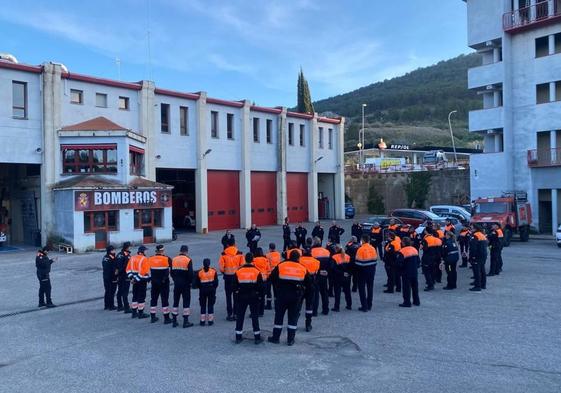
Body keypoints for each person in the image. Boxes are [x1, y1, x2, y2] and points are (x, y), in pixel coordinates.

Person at [268, 250, 312, 346]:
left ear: (289, 256)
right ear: (298, 258)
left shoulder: (281, 265)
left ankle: (276, 338)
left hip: (282, 295)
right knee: (292, 318)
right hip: (296, 297)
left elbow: (271, 278)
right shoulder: (303, 268)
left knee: (279, 317)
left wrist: (278, 287)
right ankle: (290, 339)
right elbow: (309, 283)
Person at [233, 253, 264, 344]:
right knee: (254, 316)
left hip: (242, 296)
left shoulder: (239, 271)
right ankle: (257, 337)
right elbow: (261, 287)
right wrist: (259, 296)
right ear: (252, 260)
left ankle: (238, 337)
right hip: (253, 296)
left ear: (245, 260)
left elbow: (234, 286)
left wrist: (237, 293)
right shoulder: (256, 271)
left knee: (240, 316)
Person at [219, 238, 244, 321]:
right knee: (236, 296)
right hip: (236, 278)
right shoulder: (239, 254)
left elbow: (221, 268)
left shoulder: (223, 254)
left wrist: (225, 272)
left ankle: (229, 314)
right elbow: (242, 265)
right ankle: (236, 313)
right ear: (234, 244)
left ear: (227, 245)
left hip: (228, 277)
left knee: (228, 296)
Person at [148, 244, 173, 324]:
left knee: (153, 299)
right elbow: (172, 269)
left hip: (154, 282)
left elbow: (147, 269)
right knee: (164, 299)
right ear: (162, 251)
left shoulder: (150, 258)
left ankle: (152, 317)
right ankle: (166, 318)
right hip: (164, 282)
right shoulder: (167, 259)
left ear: (156, 251)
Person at [171, 245, 194, 328]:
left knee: (175, 301)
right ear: (186, 251)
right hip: (185, 284)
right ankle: (185, 321)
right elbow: (190, 274)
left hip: (176, 284)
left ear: (180, 251)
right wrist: (191, 283)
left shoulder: (174, 259)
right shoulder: (188, 260)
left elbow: (172, 272)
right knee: (186, 302)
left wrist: (175, 280)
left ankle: (174, 320)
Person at [355, 234, 378, 312]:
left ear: (363, 240)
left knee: (362, 289)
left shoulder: (360, 249)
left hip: (362, 271)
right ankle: (369, 305)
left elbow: (358, 263)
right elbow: (375, 260)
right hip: (372, 270)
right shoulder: (373, 248)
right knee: (370, 288)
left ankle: (364, 306)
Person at [193, 258, 219, 326]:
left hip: (202, 290)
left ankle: (202, 321)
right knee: (210, 305)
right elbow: (216, 282)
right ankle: (210, 321)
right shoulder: (213, 271)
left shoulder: (200, 272)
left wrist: (201, 288)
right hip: (211, 290)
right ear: (209, 263)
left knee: (203, 305)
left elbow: (197, 283)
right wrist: (213, 288)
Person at [299, 248, 320, 332]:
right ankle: (308, 324)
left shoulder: (299, 260)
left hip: (301, 284)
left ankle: (294, 322)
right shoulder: (316, 261)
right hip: (311, 285)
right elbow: (316, 272)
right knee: (309, 305)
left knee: (298, 304)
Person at [396, 237, 420, 307]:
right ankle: (416, 301)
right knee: (415, 287)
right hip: (414, 271)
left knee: (406, 288)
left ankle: (407, 302)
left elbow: (399, 263)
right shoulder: (414, 249)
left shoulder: (402, 251)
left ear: (403, 243)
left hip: (406, 272)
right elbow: (418, 261)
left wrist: (400, 271)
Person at [311, 238, 332, 315]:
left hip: (316, 275)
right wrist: (327, 271)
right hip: (325, 274)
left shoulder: (312, 251)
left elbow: (311, 264)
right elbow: (330, 264)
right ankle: (325, 310)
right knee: (324, 293)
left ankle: (315, 311)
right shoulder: (326, 251)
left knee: (316, 294)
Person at [126, 245, 148, 318]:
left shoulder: (132, 258)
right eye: (145, 250)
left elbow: (128, 269)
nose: (146, 252)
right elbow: (143, 271)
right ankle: (141, 313)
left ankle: (134, 312)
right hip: (141, 281)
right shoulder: (144, 259)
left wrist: (132, 278)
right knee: (141, 296)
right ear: (142, 251)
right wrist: (136, 279)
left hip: (134, 281)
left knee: (134, 296)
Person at [332, 246, 352, 312]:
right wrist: (348, 273)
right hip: (347, 277)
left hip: (338, 277)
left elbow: (333, 269)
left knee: (337, 292)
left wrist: (342, 273)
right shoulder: (347, 256)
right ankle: (349, 305)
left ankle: (337, 307)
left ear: (336, 249)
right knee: (347, 291)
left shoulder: (334, 257)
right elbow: (351, 267)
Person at [252, 248, 271, 317]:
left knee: (255, 297)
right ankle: (261, 312)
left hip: (256, 280)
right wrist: (266, 276)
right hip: (264, 280)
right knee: (262, 297)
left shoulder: (254, 260)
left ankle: (255, 311)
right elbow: (268, 270)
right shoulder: (266, 260)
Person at [469, 225, 488, 292]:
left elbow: (473, 248)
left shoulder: (475, 236)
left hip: (477, 255)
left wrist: (472, 256)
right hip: (483, 254)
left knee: (477, 271)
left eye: (471, 228)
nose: (470, 229)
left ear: (475, 229)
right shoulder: (481, 234)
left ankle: (477, 286)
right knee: (482, 270)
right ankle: (483, 284)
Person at [115, 242, 132, 313]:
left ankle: (119, 306)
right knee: (125, 292)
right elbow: (126, 266)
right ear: (127, 247)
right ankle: (126, 307)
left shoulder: (119, 254)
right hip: (125, 275)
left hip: (119, 275)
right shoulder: (127, 256)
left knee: (120, 291)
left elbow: (116, 265)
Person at [265, 243, 282, 310]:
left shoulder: (267, 255)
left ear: (269, 248)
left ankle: (269, 305)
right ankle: (277, 303)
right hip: (277, 273)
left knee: (269, 290)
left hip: (270, 274)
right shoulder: (278, 254)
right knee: (276, 289)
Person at [102, 245, 118, 311]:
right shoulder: (111, 258)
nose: (114, 251)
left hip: (105, 277)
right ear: (110, 251)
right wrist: (114, 276)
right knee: (112, 291)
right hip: (111, 277)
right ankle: (111, 306)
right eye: (113, 250)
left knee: (107, 291)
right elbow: (112, 269)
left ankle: (106, 305)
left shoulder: (105, 257)